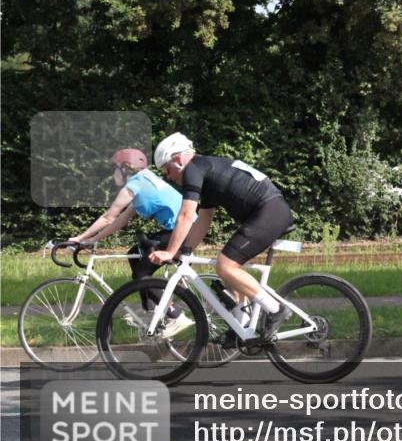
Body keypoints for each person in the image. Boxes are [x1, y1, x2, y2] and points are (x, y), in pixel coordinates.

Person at [149, 133, 293, 341]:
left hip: (269, 210)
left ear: (178, 159)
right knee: (229, 271)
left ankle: (275, 309)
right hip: (269, 210)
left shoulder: (193, 170)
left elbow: (186, 215)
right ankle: (241, 329)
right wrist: (184, 252)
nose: (168, 177)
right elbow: (203, 219)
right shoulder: (204, 170)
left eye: (167, 170)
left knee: (225, 266)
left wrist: (169, 251)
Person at [68, 148, 195, 337]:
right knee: (134, 254)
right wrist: (93, 239)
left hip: (179, 231)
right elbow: (121, 220)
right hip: (184, 229)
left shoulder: (134, 185)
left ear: (126, 168)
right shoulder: (145, 180)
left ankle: (175, 316)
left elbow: (108, 217)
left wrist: (80, 238)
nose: (113, 173)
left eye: (115, 169)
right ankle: (152, 312)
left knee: (142, 273)